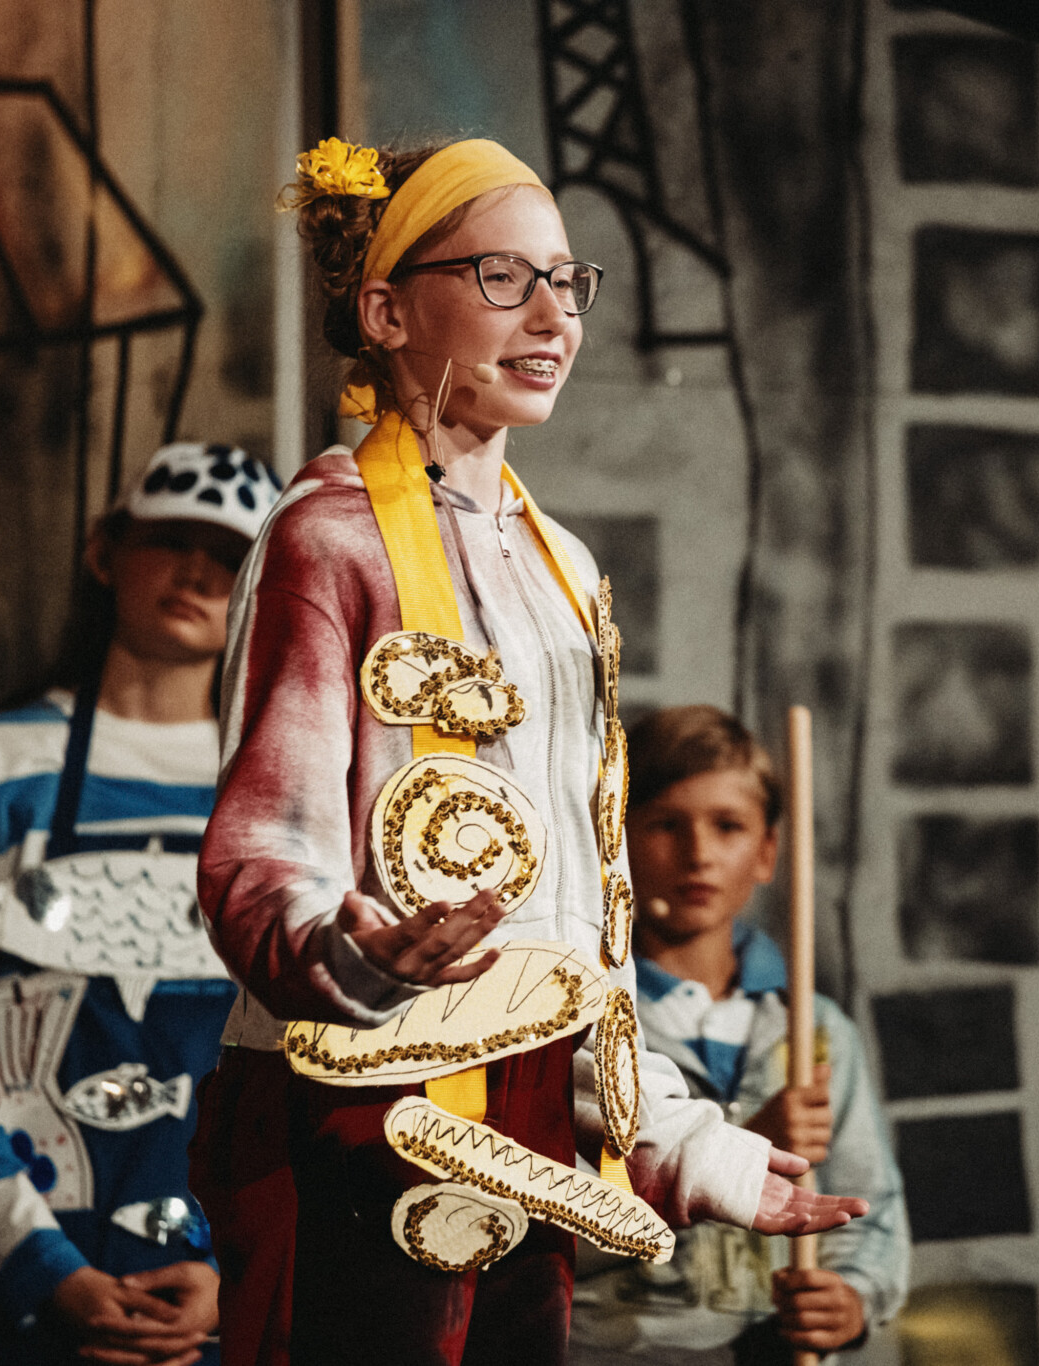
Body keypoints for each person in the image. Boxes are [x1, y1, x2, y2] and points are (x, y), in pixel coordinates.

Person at [192, 136, 864, 1366]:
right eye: (503, 277)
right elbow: (262, 859)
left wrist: (674, 1138)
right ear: (387, 311)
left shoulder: (564, 566)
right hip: (353, 1104)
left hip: (526, 1110)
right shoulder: (328, 538)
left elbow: (578, 925)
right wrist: (359, 956)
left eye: (567, 280)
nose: (554, 315)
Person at [0, 442, 282, 1366]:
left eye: (230, 557)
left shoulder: (278, 791)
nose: (197, 573)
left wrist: (237, 1272)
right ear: (104, 551)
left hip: (222, 1278)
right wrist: (43, 1272)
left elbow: (310, 1065)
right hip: (23, 1273)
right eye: (172, 540)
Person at [571, 705, 910, 1366]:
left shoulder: (814, 1033)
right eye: (666, 825)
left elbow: (872, 1212)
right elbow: (552, 1221)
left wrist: (851, 1297)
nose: (698, 854)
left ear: (767, 852)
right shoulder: (585, 1019)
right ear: (615, 838)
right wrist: (733, 1155)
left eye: (727, 826)